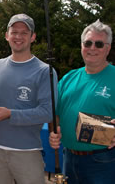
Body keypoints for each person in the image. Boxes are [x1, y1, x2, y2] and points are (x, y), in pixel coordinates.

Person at [0, 14, 57, 184]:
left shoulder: (45, 71)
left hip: (27, 151)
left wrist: (10, 114)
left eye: (24, 33)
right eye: (14, 32)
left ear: (33, 37)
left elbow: (47, 112)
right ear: (7, 35)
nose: (18, 37)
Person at [49, 20, 115, 184]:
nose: (92, 48)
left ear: (108, 48)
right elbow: (55, 115)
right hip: (69, 159)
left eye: (99, 44)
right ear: (81, 46)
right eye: (88, 43)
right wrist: (53, 132)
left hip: (103, 161)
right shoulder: (68, 78)